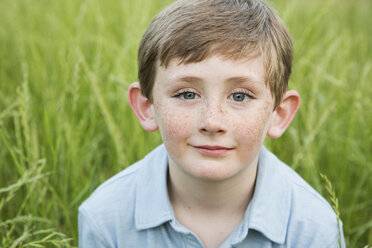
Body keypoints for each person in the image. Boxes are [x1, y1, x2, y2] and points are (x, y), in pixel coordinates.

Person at [78, 0, 346, 247]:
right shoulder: (104, 219)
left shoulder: (313, 228)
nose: (212, 122)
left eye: (240, 96)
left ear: (279, 114)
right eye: (187, 94)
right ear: (147, 107)